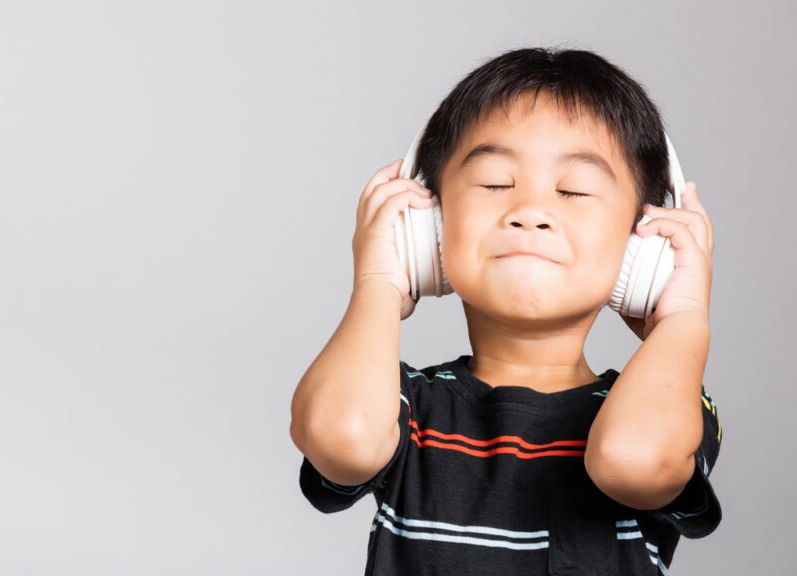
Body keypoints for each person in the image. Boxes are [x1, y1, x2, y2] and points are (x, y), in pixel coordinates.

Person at [289, 46, 722, 576]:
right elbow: (344, 435)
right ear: (430, 225)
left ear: (642, 246)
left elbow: (632, 458)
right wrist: (377, 281)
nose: (531, 212)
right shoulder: (402, 403)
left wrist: (683, 320)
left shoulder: (672, 402)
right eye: (495, 183)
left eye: (574, 190)